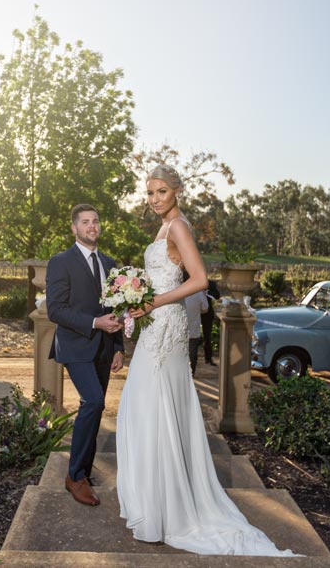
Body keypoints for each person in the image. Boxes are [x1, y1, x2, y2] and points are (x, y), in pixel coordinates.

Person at [116, 165, 301, 556]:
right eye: (149, 192)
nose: (154, 199)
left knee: (155, 408)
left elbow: (199, 280)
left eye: (161, 192)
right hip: (156, 326)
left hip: (165, 327)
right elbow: (165, 276)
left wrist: (155, 301)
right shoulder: (164, 227)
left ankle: (165, 509)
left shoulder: (179, 226)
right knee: (149, 407)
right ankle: (157, 502)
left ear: (178, 192)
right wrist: (135, 297)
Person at [46, 204, 125, 507]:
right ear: (74, 229)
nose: (92, 226)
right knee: (93, 401)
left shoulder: (110, 262)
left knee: (94, 409)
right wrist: (94, 323)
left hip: (105, 347)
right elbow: (56, 310)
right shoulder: (60, 262)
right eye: (85, 222)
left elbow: (115, 308)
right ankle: (75, 476)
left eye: (96, 221)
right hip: (76, 345)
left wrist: (118, 347)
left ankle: (85, 472)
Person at [182, 271, 208, 375]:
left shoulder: (175, 291)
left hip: (179, 326)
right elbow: (205, 309)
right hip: (193, 326)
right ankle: (191, 372)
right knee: (192, 351)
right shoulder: (198, 293)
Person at [199, 278, 219, 365]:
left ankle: (208, 358)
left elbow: (217, 296)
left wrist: (207, 294)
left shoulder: (211, 284)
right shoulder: (189, 281)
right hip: (194, 312)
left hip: (207, 313)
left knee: (207, 336)